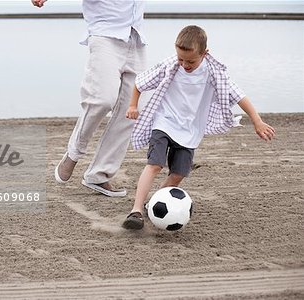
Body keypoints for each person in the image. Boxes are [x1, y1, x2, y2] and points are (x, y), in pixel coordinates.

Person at [123, 25, 275, 229]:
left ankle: (155, 203)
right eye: (181, 59)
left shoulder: (214, 73)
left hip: (190, 130)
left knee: (179, 173)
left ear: (205, 53)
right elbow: (140, 83)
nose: (184, 64)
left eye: (191, 61)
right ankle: (136, 210)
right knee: (155, 165)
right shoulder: (170, 66)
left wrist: (257, 120)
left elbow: (239, 96)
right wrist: (133, 105)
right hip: (164, 122)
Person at [31, 0, 147, 197]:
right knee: (101, 99)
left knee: (133, 109)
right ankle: (74, 152)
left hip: (135, 38)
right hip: (105, 36)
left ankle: (99, 175)